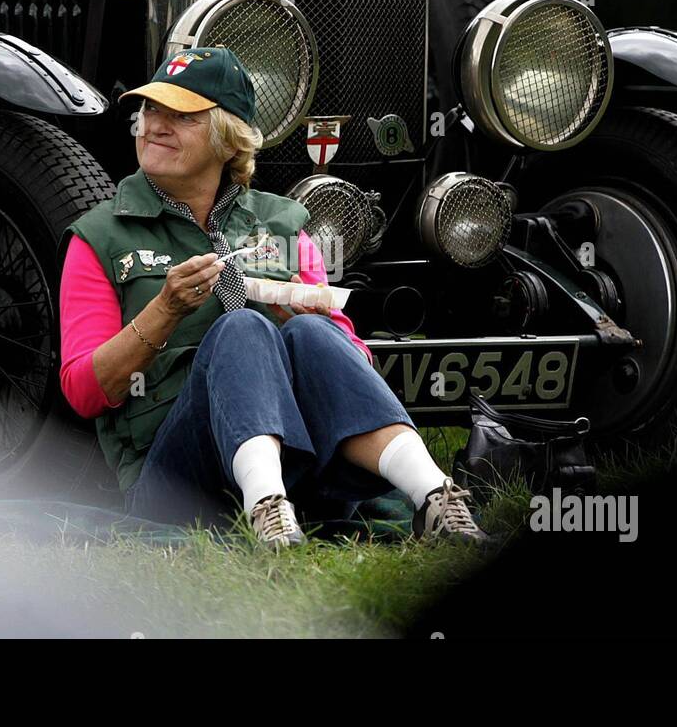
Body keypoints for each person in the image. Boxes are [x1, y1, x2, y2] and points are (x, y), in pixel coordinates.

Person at [59, 46, 490, 548]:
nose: (154, 125)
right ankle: (266, 509)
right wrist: (164, 311)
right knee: (242, 327)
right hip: (176, 482)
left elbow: (354, 361)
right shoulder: (99, 236)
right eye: (151, 109)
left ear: (227, 137)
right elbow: (83, 392)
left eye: (181, 115)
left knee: (311, 329)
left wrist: (303, 314)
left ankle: (437, 499)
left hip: (304, 466)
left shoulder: (285, 222)